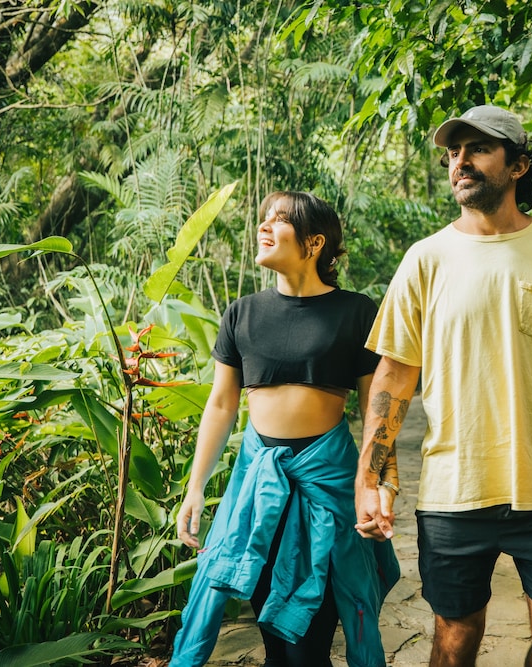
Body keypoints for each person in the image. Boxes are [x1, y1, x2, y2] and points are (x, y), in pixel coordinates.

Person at [353, 105, 532, 667]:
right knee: (455, 640)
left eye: (477, 149)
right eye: (454, 153)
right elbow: (394, 376)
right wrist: (369, 478)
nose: (460, 162)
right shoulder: (426, 259)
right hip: (455, 489)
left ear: (518, 165)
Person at [170, 191, 399, 667]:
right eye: (264, 218)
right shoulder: (242, 313)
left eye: (279, 219)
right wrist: (195, 488)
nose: (264, 226)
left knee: (307, 645)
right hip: (258, 491)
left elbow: (377, 409)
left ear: (314, 243)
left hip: (327, 488)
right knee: (276, 642)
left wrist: (382, 485)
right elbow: (221, 405)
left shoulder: (356, 311)